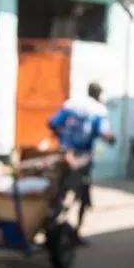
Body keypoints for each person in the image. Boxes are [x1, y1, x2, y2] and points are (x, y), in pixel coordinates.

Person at [47, 82, 116, 245]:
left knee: (60, 192)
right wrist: (111, 139)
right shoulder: (99, 110)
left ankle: (53, 225)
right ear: (99, 94)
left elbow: (52, 123)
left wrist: (62, 138)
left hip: (65, 155)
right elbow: (103, 133)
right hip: (82, 159)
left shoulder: (72, 104)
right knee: (83, 195)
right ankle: (75, 232)